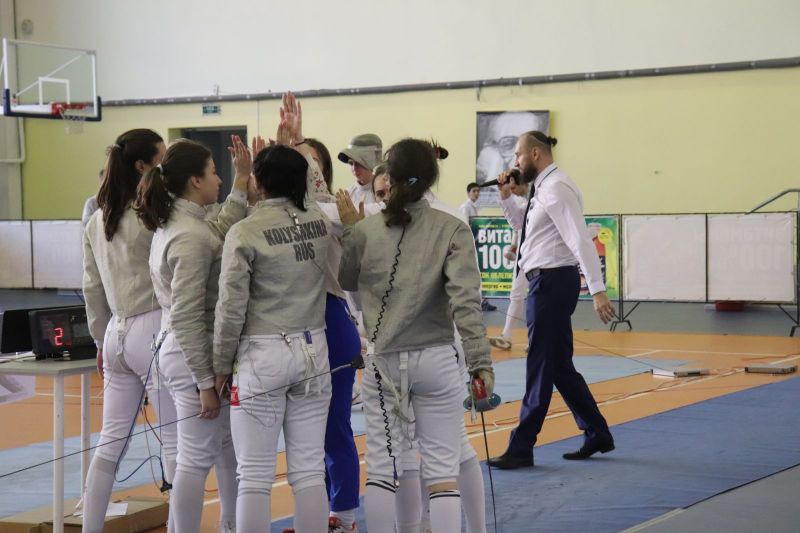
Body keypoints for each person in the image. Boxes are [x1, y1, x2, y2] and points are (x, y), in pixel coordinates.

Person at [338, 138, 494, 533]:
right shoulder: (451, 228)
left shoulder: (367, 230)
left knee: (383, 468)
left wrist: (353, 234)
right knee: (442, 472)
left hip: (383, 363)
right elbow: (466, 304)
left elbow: (347, 280)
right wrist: (480, 364)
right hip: (436, 362)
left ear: (389, 177)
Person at [213, 129, 334, 531]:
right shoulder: (320, 220)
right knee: (310, 469)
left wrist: (220, 365)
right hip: (314, 350)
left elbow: (231, 307)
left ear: (258, 182)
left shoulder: (244, 231)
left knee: (254, 475)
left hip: (262, 356)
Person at [135, 137, 251, 532]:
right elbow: (187, 316)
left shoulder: (183, 224)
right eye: (215, 173)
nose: (219, 179)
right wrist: (205, 382)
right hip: (190, 356)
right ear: (195, 181)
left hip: (180, 350)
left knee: (226, 450)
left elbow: (216, 231)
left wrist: (241, 183)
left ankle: (231, 526)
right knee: (196, 458)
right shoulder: (188, 235)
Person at [487, 131, 617, 471]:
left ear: (534, 154)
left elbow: (579, 239)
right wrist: (506, 197)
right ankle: (597, 433)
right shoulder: (542, 189)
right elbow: (524, 229)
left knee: (540, 364)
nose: (514, 162)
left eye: (518, 155)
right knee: (558, 366)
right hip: (546, 281)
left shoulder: (556, 189)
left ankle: (521, 446)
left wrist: (598, 289)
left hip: (551, 283)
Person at [81, 129, 175, 533]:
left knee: (110, 442)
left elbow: (91, 289)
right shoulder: (152, 215)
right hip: (153, 328)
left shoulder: (97, 219)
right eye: (162, 159)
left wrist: (100, 339)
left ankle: (90, 527)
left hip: (115, 336)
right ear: (142, 166)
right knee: (175, 440)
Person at [489, 177, 530, 351]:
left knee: (540, 298)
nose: (512, 191)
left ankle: (537, 339)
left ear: (525, 185)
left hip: (543, 257)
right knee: (516, 294)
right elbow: (517, 227)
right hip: (524, 256)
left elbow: (518, 220)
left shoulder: (528, 202)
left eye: (514, 187)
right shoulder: (519, 201)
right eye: (510, 188)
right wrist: (513, 247)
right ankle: (506, 335)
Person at [337, 133, 382, 205]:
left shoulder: (384, 192)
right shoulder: (347, 195)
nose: (354, 168)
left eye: (359, 163)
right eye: (351, 163)